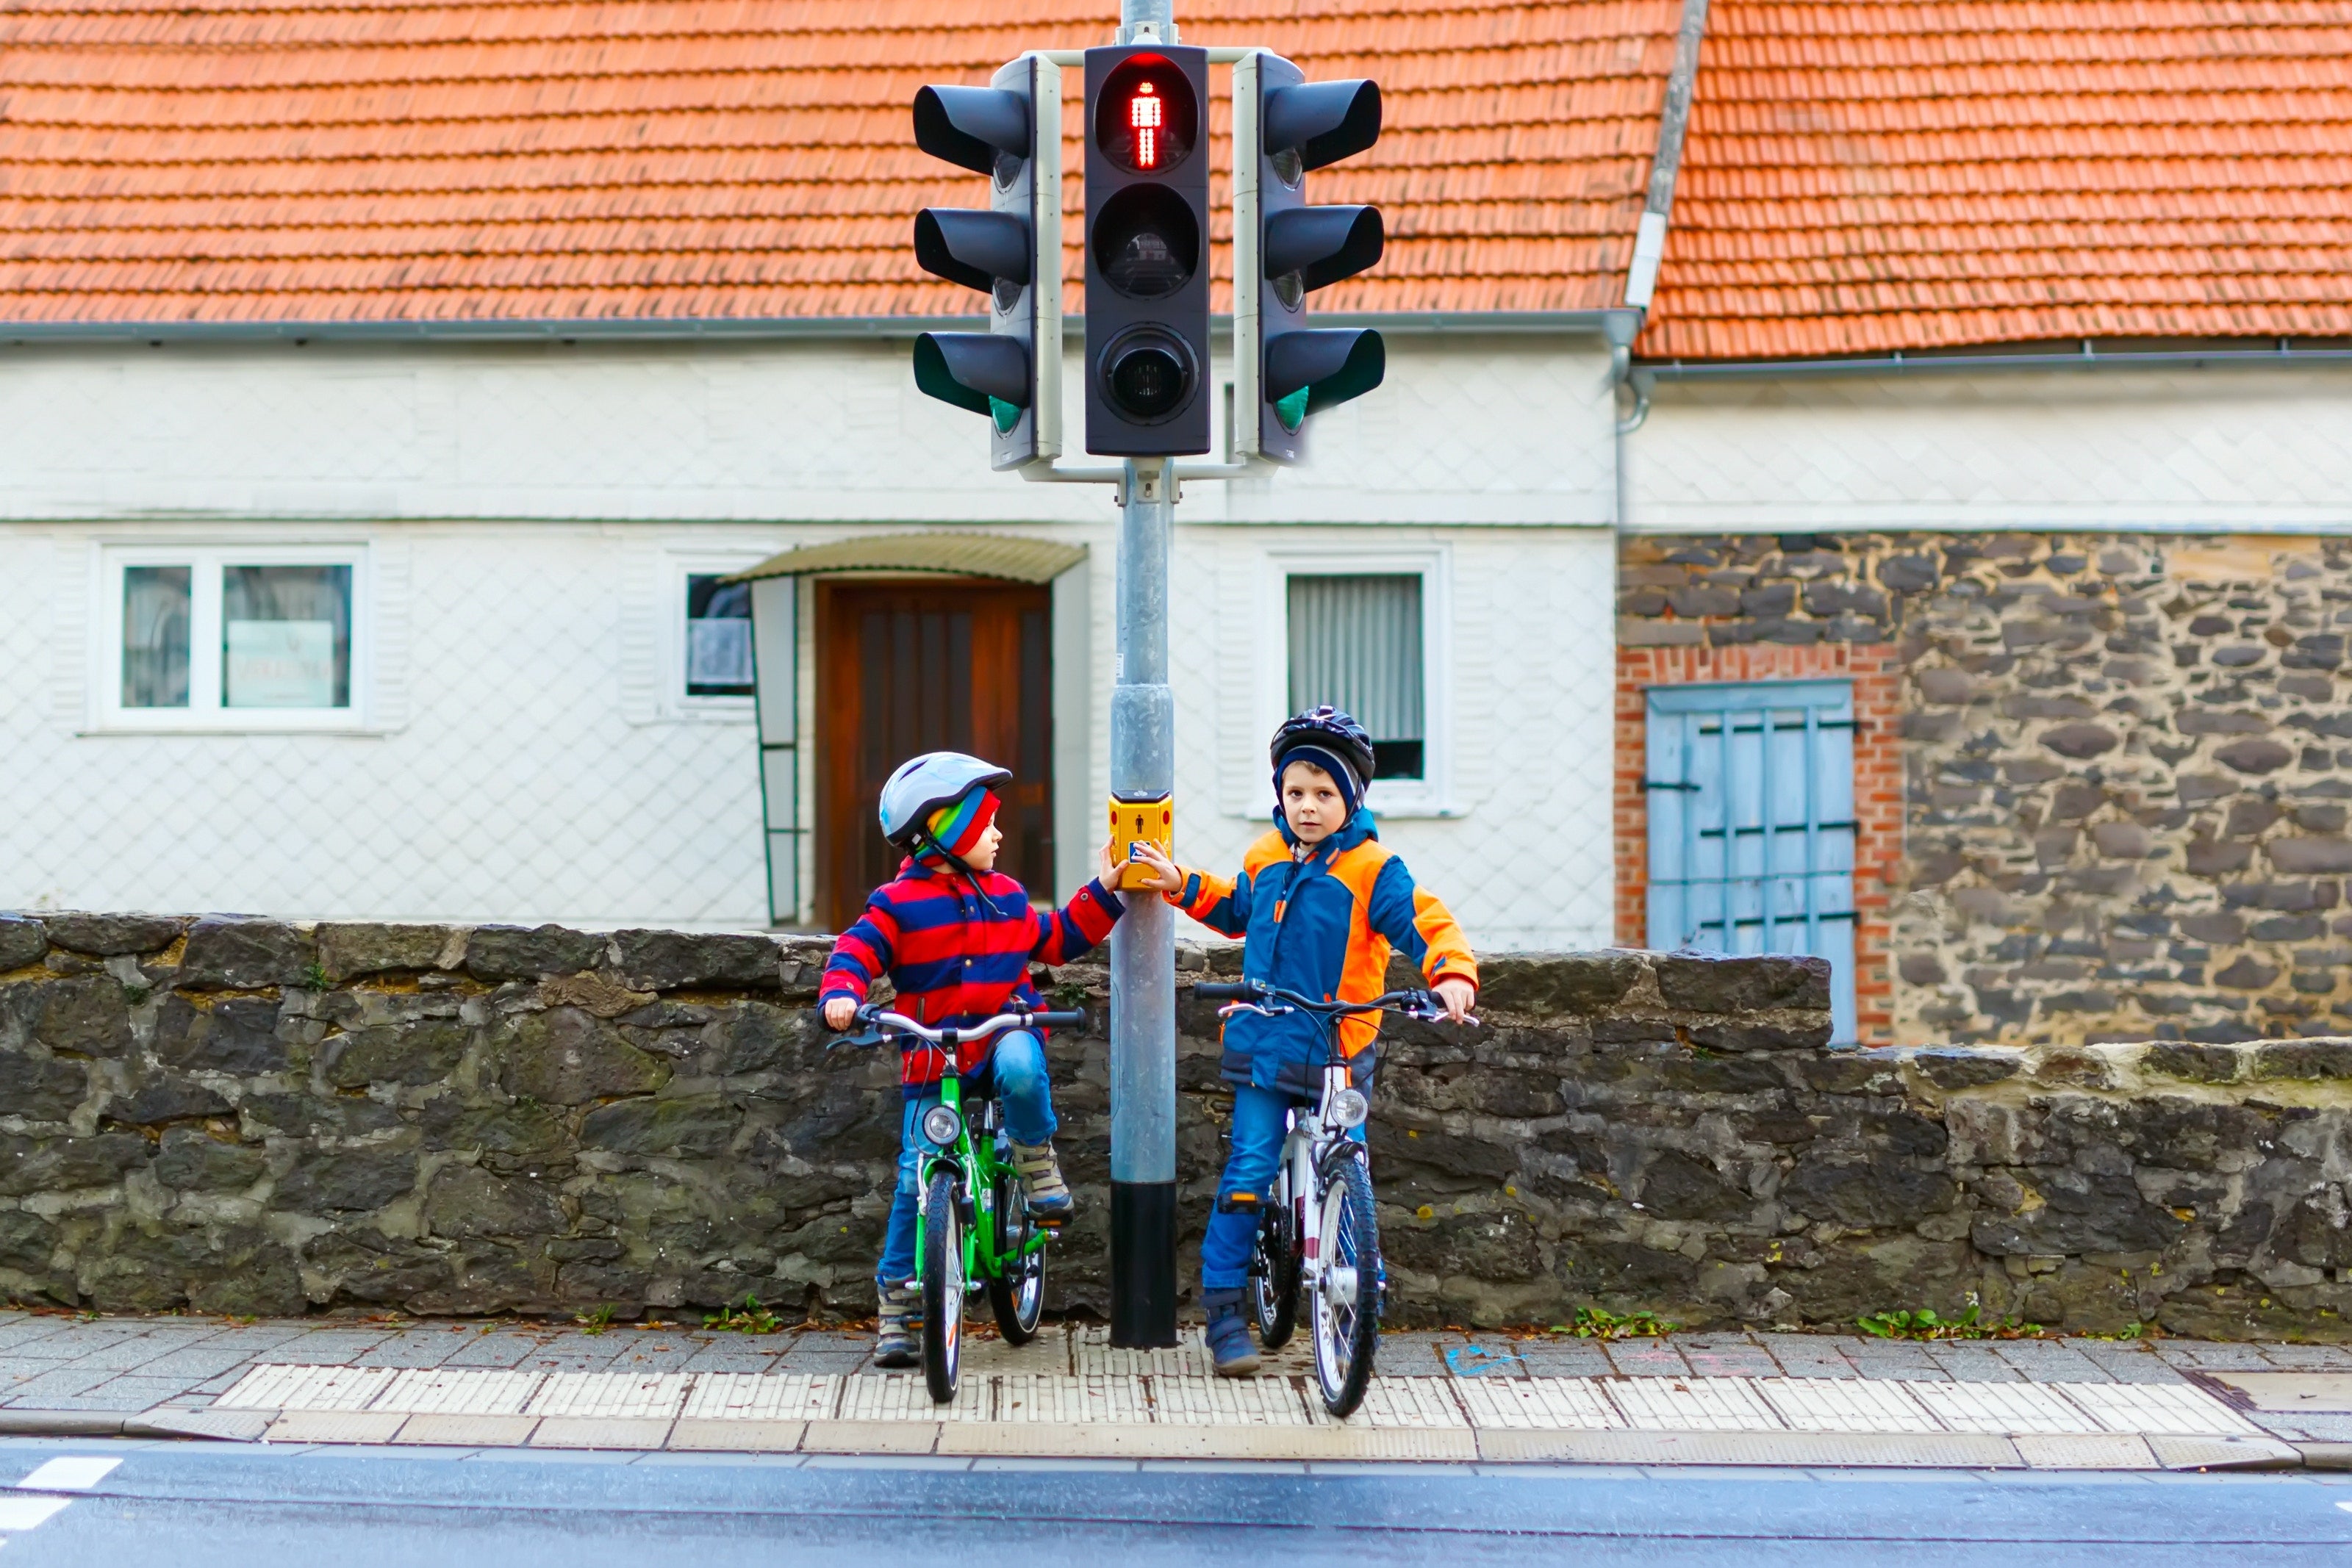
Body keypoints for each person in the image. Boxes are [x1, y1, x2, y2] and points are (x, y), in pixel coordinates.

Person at [1127, 706, 1477, 1375]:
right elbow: (1236, 910)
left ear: (1352, 800)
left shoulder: (1375, 869)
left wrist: (1452, 973)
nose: (1307, 807)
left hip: (1341, 1048)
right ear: (1280, 796)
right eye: (1295, 793)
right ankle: (1226, 1311)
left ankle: (1354, 1289)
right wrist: (1183, 886)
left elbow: (1427, 924)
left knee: (1349, 1163)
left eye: (1324, 794)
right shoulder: (1265, 856)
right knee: (1251, 1169)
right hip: (1265, 1039)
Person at [820, 750, 1129, 1368]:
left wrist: (1105, 892)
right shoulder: (896, 903)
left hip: (1002, 1032)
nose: (999, 833)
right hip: (934, 1058)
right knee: (915, 1178)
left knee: (1021, 1065)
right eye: (985, 824)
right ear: (946, 833)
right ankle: (899, 1311)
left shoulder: (1007, 897)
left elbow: (1059, 939)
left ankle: (1035, 1160)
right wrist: (842, 994)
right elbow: (857, 950)